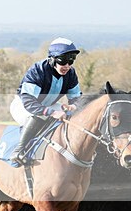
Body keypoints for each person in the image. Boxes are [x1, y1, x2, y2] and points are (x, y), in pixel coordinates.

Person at [9, 37, 82, 165]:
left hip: (49, 105)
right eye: (63, 61)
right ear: (52, 59)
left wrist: (74, 106)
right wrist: (52, 113)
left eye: (71, 61)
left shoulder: (71, 74)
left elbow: (77, 98)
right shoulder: (38, 70)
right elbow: (29, 101)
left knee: (74, 117)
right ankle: (19, 150)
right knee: (39, 117)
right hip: (24, 105)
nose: (67, 66)